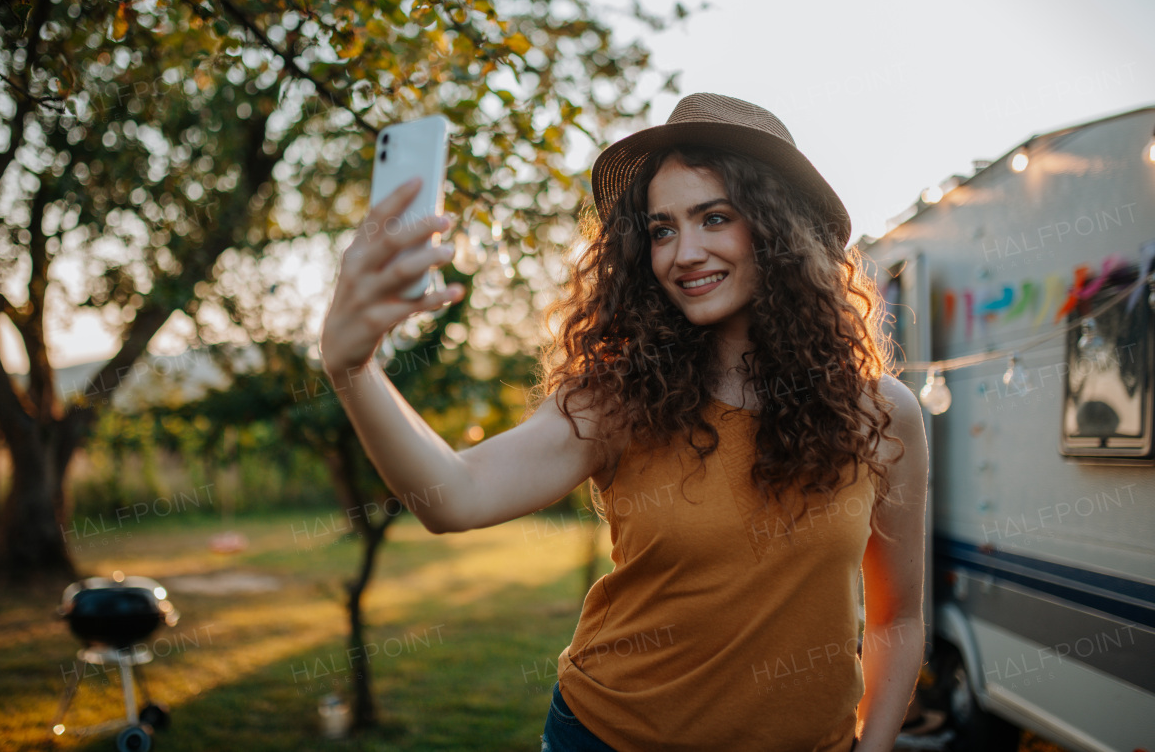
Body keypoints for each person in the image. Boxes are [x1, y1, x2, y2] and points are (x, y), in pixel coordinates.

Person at [320, 93, 928, 752]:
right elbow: (455, 495)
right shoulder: (622, 398)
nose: (682, 253)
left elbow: (900, 617)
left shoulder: (882, 413)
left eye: (714, 217)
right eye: (662, 229)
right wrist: (353, 370)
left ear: (780, 229)